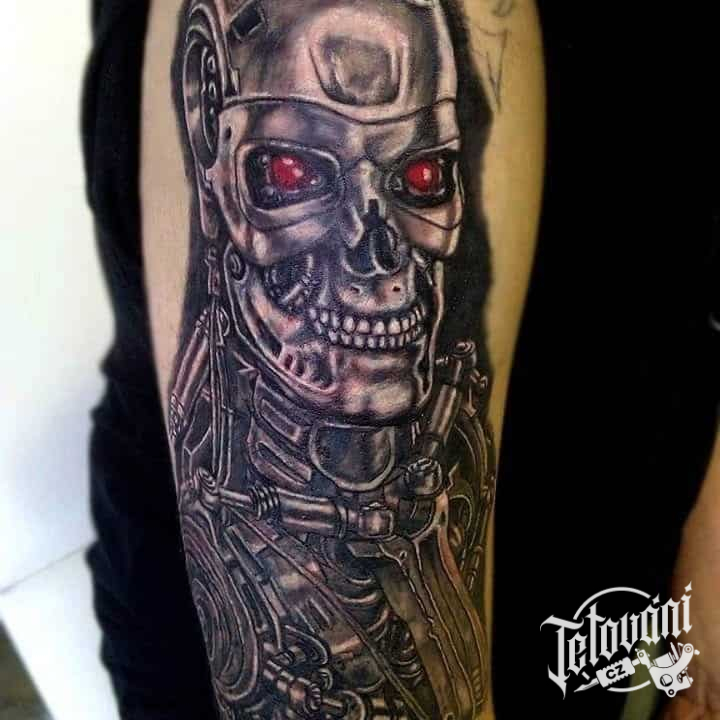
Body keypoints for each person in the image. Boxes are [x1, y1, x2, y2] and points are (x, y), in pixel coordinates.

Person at [82, 1, 718, 718]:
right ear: (213, 133)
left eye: (419, 179)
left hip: (607, 562)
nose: (375, 250)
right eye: (294, 171)